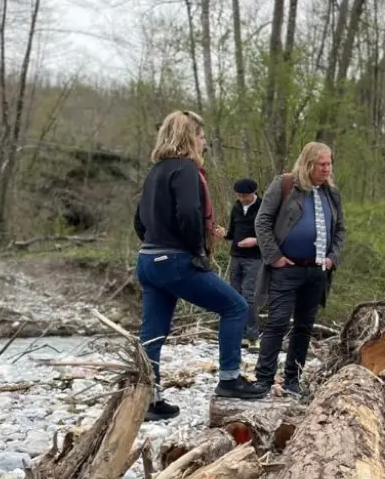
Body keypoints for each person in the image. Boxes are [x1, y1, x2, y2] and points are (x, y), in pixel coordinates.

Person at [132, 111, 265, 421]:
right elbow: (190, 213)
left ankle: (149, 399)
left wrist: (154, 241)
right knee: (235, 306)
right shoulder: (186, 170)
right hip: (175, 259)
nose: (205, 142)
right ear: (189, 137)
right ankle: (230, 379)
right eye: (202, 136)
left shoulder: (155, 172)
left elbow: (139, 220)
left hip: (148, 259)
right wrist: (195, 250)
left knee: (153, 331)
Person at [251, 142, 346, 396]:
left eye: (329, 164)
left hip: (317, 272)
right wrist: (275, 257)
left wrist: (332, 259)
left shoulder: (331, 194)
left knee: (304, 326)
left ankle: (293, 380)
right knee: (278, 322)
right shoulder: (285, 185)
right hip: (286, 269)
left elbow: (340, 232)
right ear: (308, 164)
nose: (327, 169)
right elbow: (262, 221)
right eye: (322, 164)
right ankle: (264, 379)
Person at [225, 178, 263, 346]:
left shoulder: (263, 207)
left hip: (254, 258)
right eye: (239, 196)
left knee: (249, 296)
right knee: (234, 295)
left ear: (253, 193)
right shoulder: (236, 207)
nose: (241, 199)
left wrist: (255, 241)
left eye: (244, 196)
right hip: (236, 256)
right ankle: (236, 333)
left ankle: (252, 335)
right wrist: (223, 234)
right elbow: (232, 232)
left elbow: (273, 233)